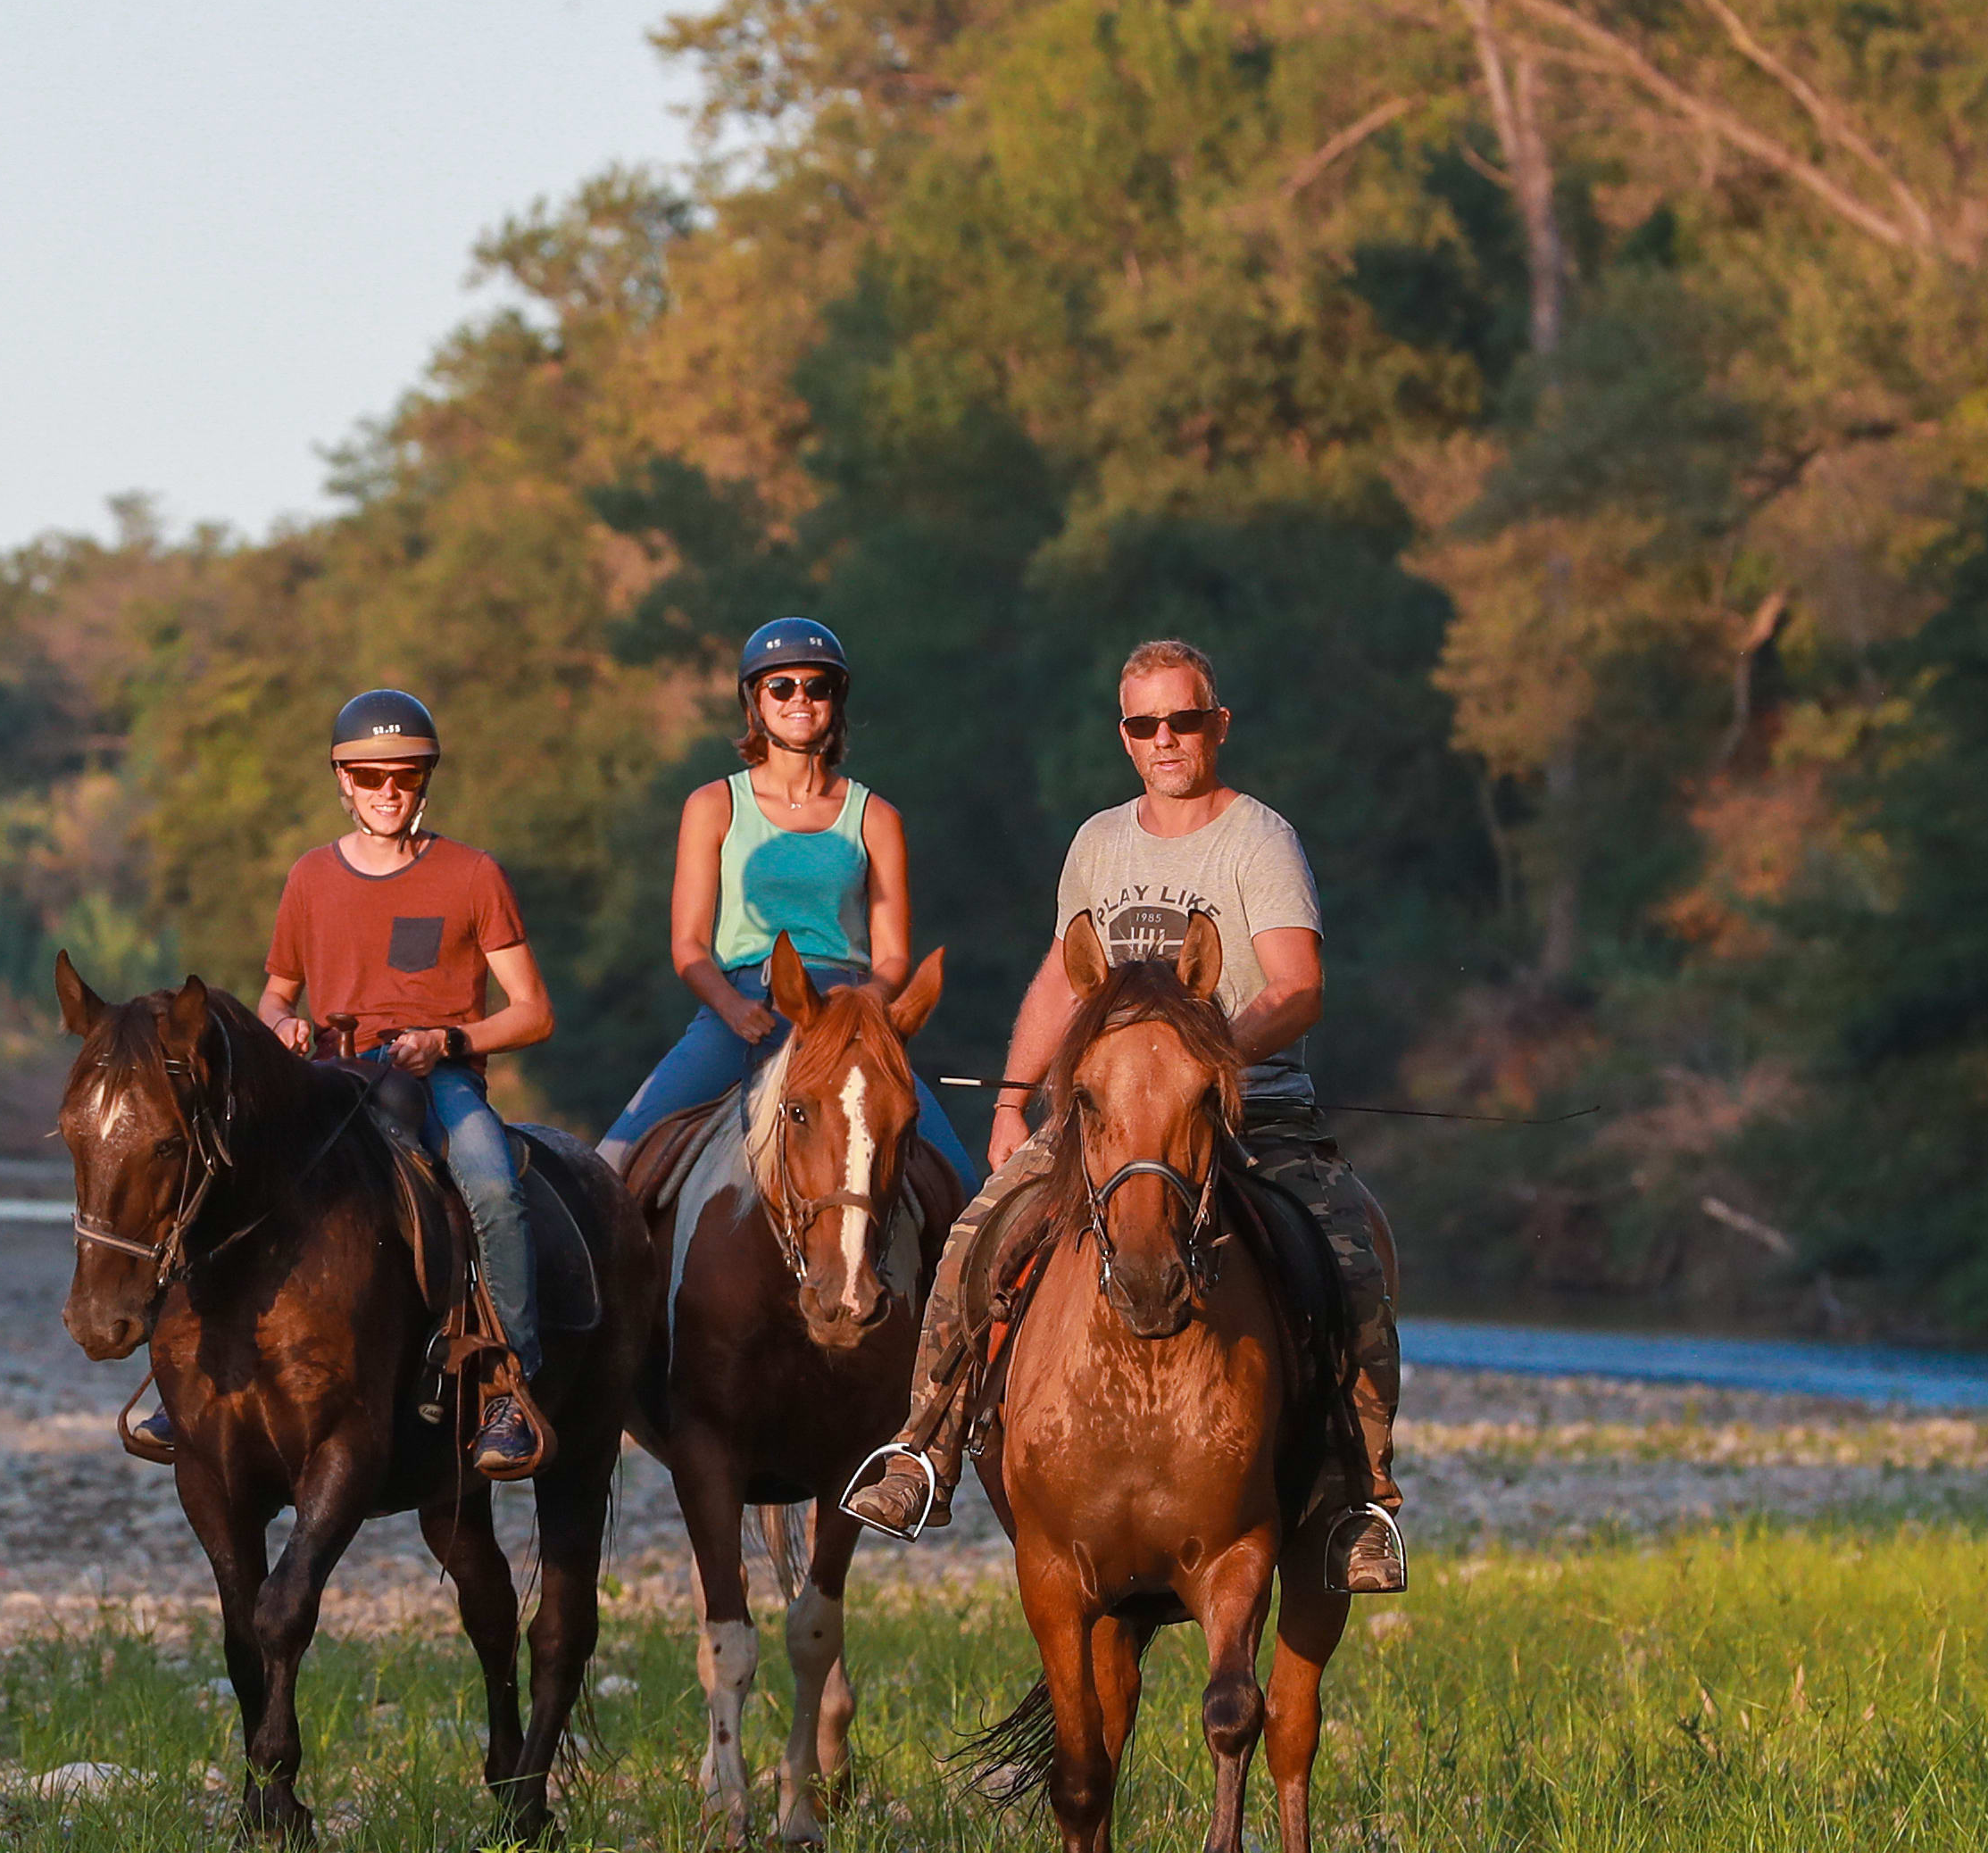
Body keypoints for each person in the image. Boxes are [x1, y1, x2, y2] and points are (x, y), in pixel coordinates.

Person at [835, 637, 1409, 1592]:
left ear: (1215, 725)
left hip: (1238, 1109)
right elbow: (1068, 987)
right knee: (975, 1236)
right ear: (1124, 736)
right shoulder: (1099, 844)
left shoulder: (1256, 838)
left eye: (1184, 719)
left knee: (1348, 1256)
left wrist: (1199, 1061)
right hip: (1104, 1121)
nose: (1165, 739)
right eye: (1145, 724)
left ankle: (1363, 1498)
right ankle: (924, 1446)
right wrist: (1016, 1101)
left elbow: (1298, 988)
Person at [249, 686, 560, 1482]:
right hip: (331, 1072)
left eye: (407, 778)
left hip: (438, 1076)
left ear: (425, 782)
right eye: (373, 777)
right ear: (342, 781)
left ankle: (507, 1383)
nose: (390, 792)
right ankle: (188, 1366)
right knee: (227, 1166)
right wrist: (281, 1025)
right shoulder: (309, 877)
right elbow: (278, 992)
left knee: (491, 1181)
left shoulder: (471, 874)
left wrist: (449, 1038)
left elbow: (531, 1012)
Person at [595, 617, 973, 1190]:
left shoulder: (876, 817)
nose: (801, 699)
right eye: (782, 687)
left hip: (847, 1017)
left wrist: (861, 1006)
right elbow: (689, 945)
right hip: (744, 1008)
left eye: (817, 687)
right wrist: (729, 1006)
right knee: (610, 1168)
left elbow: (894, 955)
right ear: (755, 702)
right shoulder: (713, 805)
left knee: (960, 1183)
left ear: (835, 701)